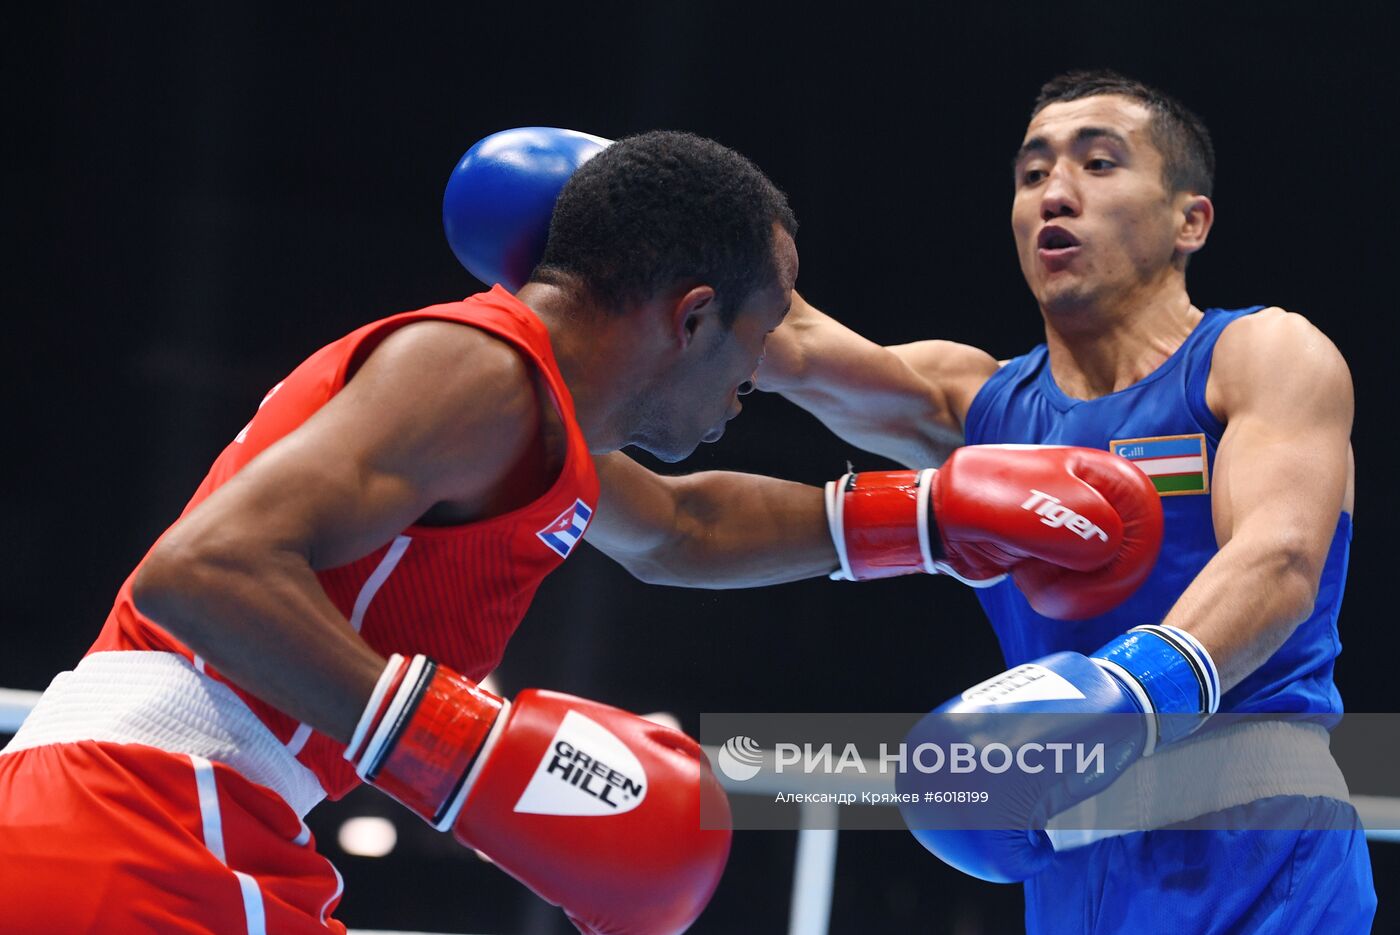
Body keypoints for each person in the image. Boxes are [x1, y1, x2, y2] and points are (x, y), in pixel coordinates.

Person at [0, 129, 1160, 934]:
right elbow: (196, 570)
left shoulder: (532, 415)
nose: (756, 376)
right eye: (759, 336)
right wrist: (456, 745)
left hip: (189, 827)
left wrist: (926, 516)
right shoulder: (475, 371)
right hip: (142, 822)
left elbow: (682, 530)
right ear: (692, 314)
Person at [759, 71, 1374, 932]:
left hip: (1259, 850)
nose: (1056, 191)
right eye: (1032, 172)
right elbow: (776, 335)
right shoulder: (980, 404)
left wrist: (1124, 693)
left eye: (1098, 162)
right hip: (1071, 860)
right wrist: (621, 201)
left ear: (1189, 220)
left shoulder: (1259, 355)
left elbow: (1278, 559)